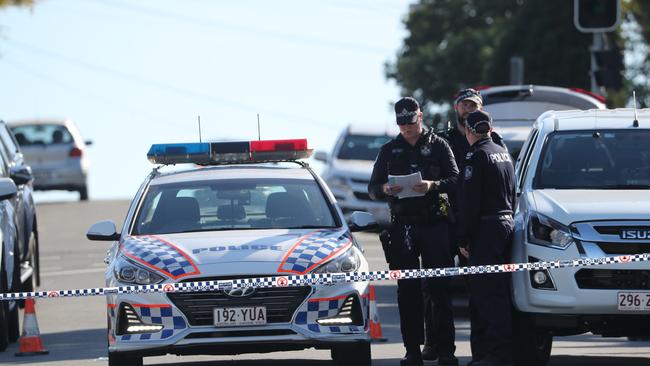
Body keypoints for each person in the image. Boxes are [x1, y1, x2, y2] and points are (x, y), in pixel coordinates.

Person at [368, 97, 459, 366]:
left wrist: (433, 185)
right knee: (407, 291)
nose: (406, 128)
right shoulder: (388, 150)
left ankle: (445, 351)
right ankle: (412, 351)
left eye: (411, 121)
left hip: (434, 224)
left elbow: (456, 181)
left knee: (440, 289)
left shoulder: (439, 145)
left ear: (420, 116)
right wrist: (385, 189)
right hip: (403, 226)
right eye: (401, 123)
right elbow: (372, 188)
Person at [421, 88, 507, 361]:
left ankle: (483, 352)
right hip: (447, 218)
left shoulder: (493, 142)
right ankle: (437, 343)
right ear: (456, 108)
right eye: (465, 104)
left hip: (477, 223)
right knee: (435, 287)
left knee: (480, 290)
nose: (469, 109)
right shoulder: (441, 141)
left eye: (474, 105)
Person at [458, 110, 516, 366]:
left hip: (486, 229)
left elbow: (470, 203)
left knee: (487, 294)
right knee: (499, 291)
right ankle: (489, 353)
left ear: (469, 132)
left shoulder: (476, 156)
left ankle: (496, 354)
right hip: (506, 223)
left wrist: (463, 238)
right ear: (489, 129)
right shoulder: (503, 153)